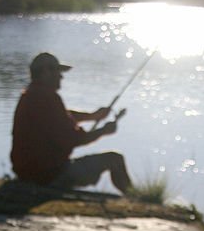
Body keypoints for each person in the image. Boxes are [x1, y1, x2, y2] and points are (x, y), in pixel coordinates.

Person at [11, 52, 132, 194]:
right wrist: (104, 130)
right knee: (115, 159)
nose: (61, 77)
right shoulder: (49, 98)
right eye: (57, 72)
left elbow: (63, 116)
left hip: (27, 173)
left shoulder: (30, 95)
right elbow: (77, 139)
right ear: (45, 72)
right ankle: (137, 200)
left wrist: (93, 116)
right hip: (49, 175)